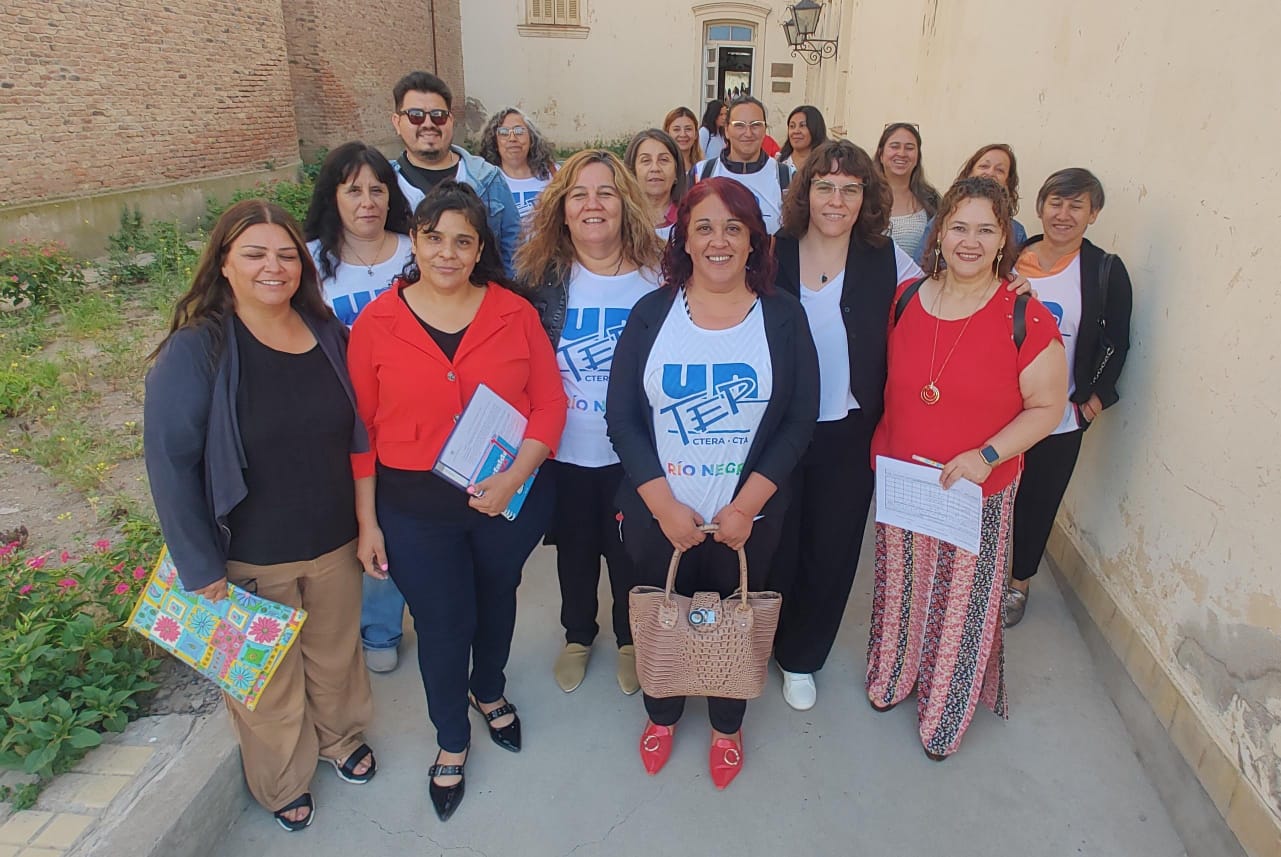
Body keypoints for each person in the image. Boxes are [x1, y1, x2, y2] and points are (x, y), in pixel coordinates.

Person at [144, 200, 376, 832]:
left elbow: (359, 433)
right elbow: (170, 463)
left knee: (335, 658)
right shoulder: (198, 349)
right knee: (266, 684)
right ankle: (282, 781)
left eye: (286, 255)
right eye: (254, 254)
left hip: (333, 539)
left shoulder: (327, 334)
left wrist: (367, 523)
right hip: (248, 552)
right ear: (224, 263)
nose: (273, 267)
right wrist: (199, 566)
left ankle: (341, 738)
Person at [347, 182, 566, 821]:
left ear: (479, 250)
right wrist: (367, 521)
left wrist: (514, 477)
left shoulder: (513, 313)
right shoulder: (377, 323)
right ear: (414, 242)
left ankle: (488, 689)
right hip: (414, 505)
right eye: (434, 238)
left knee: (497, 599)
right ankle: (451, 736)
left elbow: (549, 404)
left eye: (462, 241)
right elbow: (361, 431)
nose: (447, 252)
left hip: (504, 494)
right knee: (443, 623)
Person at [606, 177, 819, 789]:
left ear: (754, 241)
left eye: (733, 227)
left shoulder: (783, 317)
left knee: (735, 620)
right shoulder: (652, 314)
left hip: (746, 521)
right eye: (703, 227)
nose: (718, 240)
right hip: (661, 517)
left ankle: (727, 725)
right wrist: (662, 506)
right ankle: (662, 714)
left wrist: (746, 507)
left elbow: (799, 420)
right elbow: (622, 417)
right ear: (685, 239)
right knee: (662, 617)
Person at [867, 177, 1068, 759]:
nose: (970, 241)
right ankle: (893, 674)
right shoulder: (907, 298)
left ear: (1005, 238)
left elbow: (1047, 408)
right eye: (958, 227)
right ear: (939, 232)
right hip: (906, 480)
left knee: (960, 604)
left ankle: (944, 713)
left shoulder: (1024, 315)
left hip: (977, 487)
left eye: (986, 229)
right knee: (901, 588)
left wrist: (987, 457)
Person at [769, 140, 924, 711]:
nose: (837, 200)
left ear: (867, 198)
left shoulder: (887, 259)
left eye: (851, 189)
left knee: (831, 547)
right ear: (806, 192)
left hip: (850, 429)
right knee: (773, 540)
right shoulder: (773, 251)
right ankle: (760, 638)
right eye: (825, 186)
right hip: (776, 427)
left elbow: (946, 298)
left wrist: (1010, 286)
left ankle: (801, 656)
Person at [516, 150, 663, 696]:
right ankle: (578, 635)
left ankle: (630, 639)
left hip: (635, 451)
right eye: (578, 194)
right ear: (562, 208)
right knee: (575, 552)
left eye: (605, 192)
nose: (592, 204)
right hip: (565, 450)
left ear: (626, 204)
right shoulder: (541, 280)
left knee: (630, 551)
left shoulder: (659, 276)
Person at [302, 142, 415, 673]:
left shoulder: (417, 250)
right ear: (333, 197)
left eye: (377, 189)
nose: (367, 201)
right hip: (338, 413)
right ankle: (371, 626)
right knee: (359, 521)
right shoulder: (309, 261)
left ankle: (406, 618)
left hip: (408, 414)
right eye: (353, 191)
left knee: (399, 517)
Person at [1005, 168, 1133, 626]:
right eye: (1056, 203)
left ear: (1093, 214)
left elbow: (1116, 343)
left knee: (1038, 502)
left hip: (1060, 417)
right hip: (997, 410)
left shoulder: (1103, 271)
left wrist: (1092, 404)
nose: (1063, 214)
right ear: (1040, 207)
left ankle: (1018, 585)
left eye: (1076, 206)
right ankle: (976, 577)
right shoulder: (1010, 257)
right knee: (985, 496)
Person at [389, 71, 521, 275]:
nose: (428, 124)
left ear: (450, 120)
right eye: (416, 115)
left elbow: (515, 252)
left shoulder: (488, 179)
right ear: (397, 122)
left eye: (438, 116)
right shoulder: (384, 184)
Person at [692, 96, 794, 235]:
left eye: (755, 125)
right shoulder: (701, 173)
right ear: (726, 130)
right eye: (739, 125)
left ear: (765, 129)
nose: (748, 133)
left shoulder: (787, 177)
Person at [918, 143, 1028, 266]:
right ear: (969, 173)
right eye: (984, 166)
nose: (990, 173)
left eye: (1000, 170)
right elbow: (922, 264)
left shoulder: (1016, 231)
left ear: (1008, 182)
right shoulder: (940, 221)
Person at [478, 107, 558, 221]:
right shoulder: (485, 180)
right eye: (504, 132)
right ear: (494, 141)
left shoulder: (555, 174)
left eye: (519, 131)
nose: (512, 138)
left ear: (531, 138)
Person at [875, 122, 940, 261]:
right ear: (881, 154)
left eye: (909, 148)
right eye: (894, 146)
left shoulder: (931, 200)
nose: (902, 153)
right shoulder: (865, 196)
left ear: (918, 157)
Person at [624, 129, 687, 240]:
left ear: (676, 171)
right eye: (646, 160)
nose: (655, 168)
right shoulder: (620, 220)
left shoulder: (689, 219)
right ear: (632, 171)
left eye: (663, 160)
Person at [777, 105, 828, 171]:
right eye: (792, 126)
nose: (796, 131)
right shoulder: (780, 163)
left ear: (815, 129)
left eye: (802, 125)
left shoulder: (826, 163)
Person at [663, 106, 703, 173]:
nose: (683, 134)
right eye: (676, 129)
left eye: (688, 129)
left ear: (696, 134)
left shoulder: (703, 168)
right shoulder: (661, 167)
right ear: (667, 133)